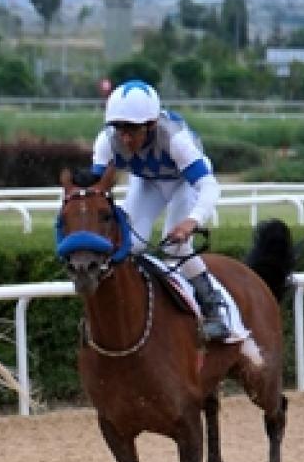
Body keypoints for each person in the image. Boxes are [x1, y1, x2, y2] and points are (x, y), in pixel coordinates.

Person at [90, 79, 229, 341]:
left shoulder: (175, 139)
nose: (124, 138)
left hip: (184, 183)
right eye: (119, 128)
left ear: (151, 125)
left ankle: (215, 308)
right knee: (130, 244)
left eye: (132, 129)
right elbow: (95, 189)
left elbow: (209, 186)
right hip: (147, 182)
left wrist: (191, 221)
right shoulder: (106, 142)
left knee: (174, 245)